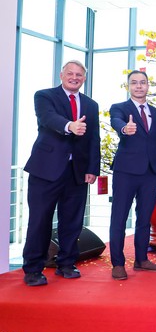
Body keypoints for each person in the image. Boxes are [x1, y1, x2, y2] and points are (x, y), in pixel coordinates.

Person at [21, 60, 100, 287]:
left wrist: (92, 169)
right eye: (70, 73)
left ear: (84, 78)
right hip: (45, 170)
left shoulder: (91, 104)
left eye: (79, 75)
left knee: (72, 221)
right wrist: (69, 126)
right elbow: (47, 118)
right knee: (40, 220)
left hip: (77, 172)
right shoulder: (44, 96)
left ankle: (66, 263)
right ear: (61, 75)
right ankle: (33, 268)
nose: (74, 77)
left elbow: (94, 138)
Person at [107, 70, 156, 280]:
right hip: (126, 172)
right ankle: (117, 263)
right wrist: (125, 128)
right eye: (134, 83)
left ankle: (142, 259)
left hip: (151, 173)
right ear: (128, 86)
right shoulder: (120, 108)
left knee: (144, 218)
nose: (139, 86)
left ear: (148, 86)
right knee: (119, 217)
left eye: (142, 82)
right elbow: (116, 121)